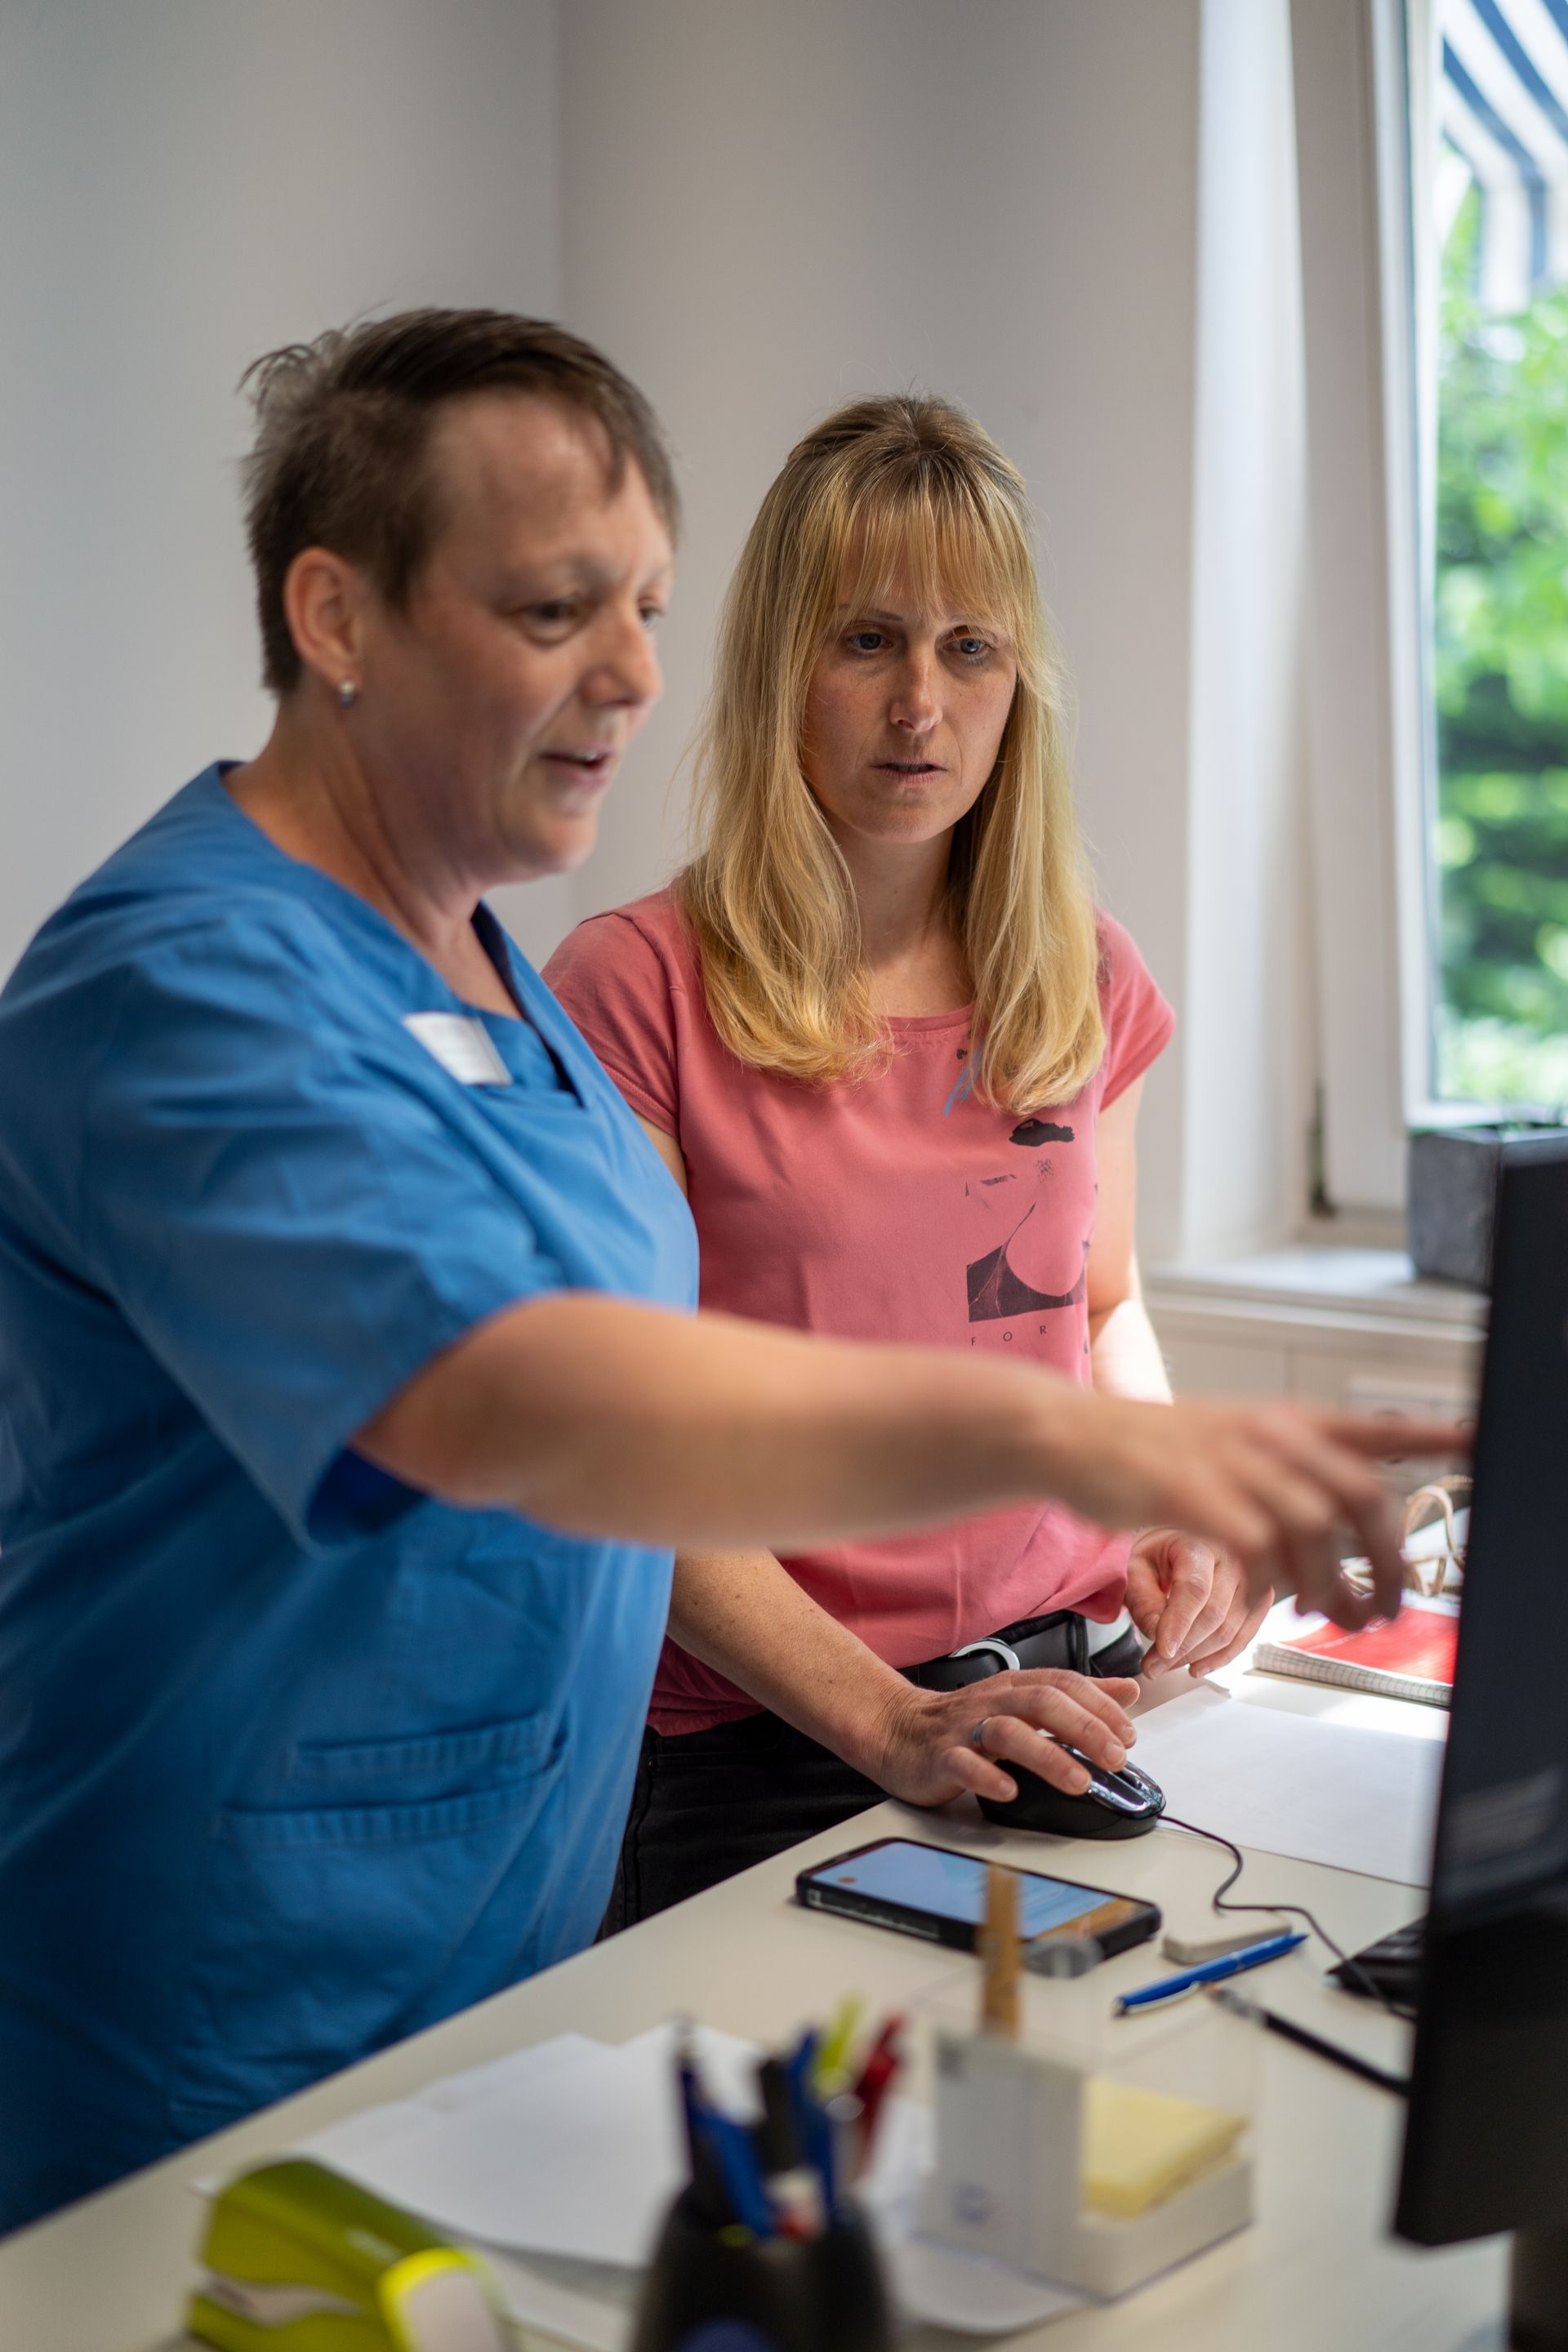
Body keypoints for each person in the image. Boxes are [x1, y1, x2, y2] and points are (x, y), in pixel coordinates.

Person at [0, 311, 1443, 2234]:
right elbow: (531, 1407)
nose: (630, 671)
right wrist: (1099, 1460)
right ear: (336, 621)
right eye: (551, 608)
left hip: (506, 1962)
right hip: (226, 1999)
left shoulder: (487, 988)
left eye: (647, 607)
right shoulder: (187, 991)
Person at [544, 395, 1274, 1927]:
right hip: (780, 1743)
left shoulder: (1084, 973)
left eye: (970, 649)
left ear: (1022, 686)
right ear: (779, 670)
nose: (919, 706)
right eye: (866, 641)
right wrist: (893, 1723)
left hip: (1082, 1703)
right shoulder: (633, 993)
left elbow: (1099, 1303)